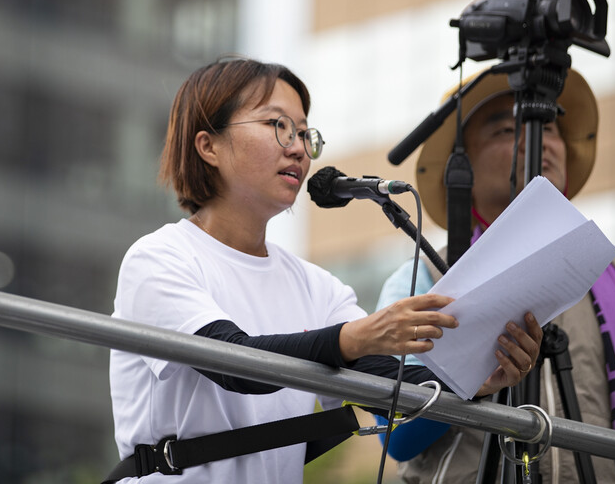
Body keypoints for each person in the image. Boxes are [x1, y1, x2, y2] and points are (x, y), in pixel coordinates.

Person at [108, 56, 543, 483]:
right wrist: (354, 337)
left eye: (303, 133)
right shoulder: (159, 258)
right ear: (209, 146)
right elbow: (233, 365)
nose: (298, 147)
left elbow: (388, 384)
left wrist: (477, 379)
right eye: (276, 126)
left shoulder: (317, 286)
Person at [376, 68, 615, 483]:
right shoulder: (421, 280)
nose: (538, 140)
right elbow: (395, 435)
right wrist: (470, 377)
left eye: (550, 128)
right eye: (505, 129)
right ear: (460, 168)